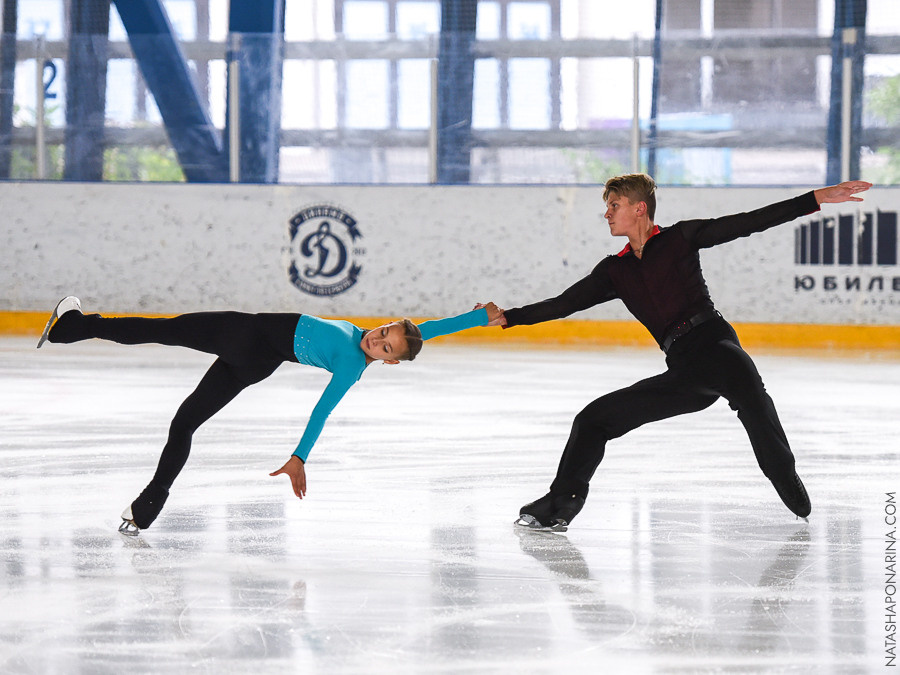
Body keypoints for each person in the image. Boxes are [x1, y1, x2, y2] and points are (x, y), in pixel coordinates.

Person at [494, 174, 872, 531]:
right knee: (593, 419)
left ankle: (783, 475)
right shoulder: (615, 271)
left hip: (716, 345)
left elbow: (748, 222)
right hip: (684, 372)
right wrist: (508, 317)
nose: (606, 213)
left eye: (614, 205)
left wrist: (816, 199)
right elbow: (563, 304)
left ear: (640, 208)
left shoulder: (680, 238)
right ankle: (563, 503)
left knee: (755, 407)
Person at [37, 298, 502, 534]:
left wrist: (300, 455)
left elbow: (323, 410)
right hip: (258, 361)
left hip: (246, 336)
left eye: (385, 347)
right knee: (184, 423)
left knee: (164, 330)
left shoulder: (350, 367)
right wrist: (478, 317)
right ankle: (148, 505)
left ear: (390, 361)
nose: (377, 339)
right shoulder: (369, 338)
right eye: (384, 331)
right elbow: (432, 329)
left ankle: (73, 326)